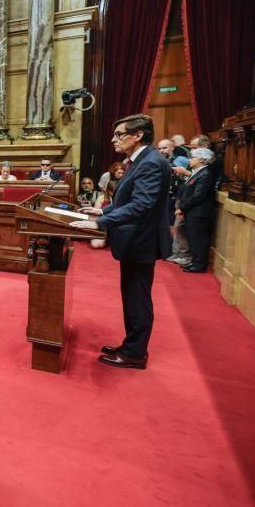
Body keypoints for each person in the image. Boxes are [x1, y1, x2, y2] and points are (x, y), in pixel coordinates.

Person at [71, 114, 171, 370]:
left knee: (137, 297)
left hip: (141, 241)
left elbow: (142, 204)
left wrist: (101, 224)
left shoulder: (149, 162)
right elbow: (129, 200)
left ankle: (135, 353)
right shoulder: (139, 161)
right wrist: (103, 212)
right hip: (136, 240)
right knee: (132, 294)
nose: (113, 139)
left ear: (138, 136)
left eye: (119, 134)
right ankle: (131, 346)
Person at [175, 148, 216, 273]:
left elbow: (198, 196)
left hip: (199, 213)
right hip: (192, 212)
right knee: (193, 238)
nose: (189, 160)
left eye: (193, 158)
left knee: (199, 239)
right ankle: (194, 261)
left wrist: (182, 207)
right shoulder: (197, 172)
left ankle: (199, 264)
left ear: (202, 160)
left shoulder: (206, 174)